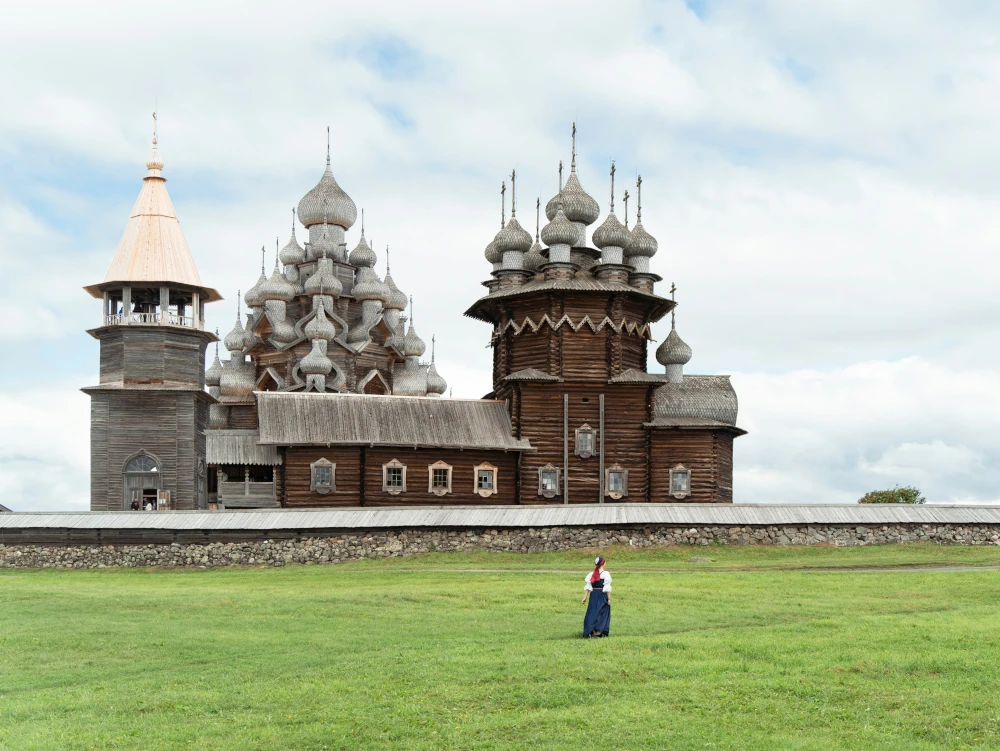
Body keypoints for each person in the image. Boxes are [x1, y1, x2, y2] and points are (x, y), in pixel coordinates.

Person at [581, 556, 612, 638]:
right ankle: (598, 631)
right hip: (602, 595)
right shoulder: (606, 574)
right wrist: (609, 598)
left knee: (593, 612)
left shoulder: (592, 574)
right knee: (602, 612)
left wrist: (585, 597)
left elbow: (588, 587)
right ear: (603, 564)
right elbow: (607, 587)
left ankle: (590, 630)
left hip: (594, 595)